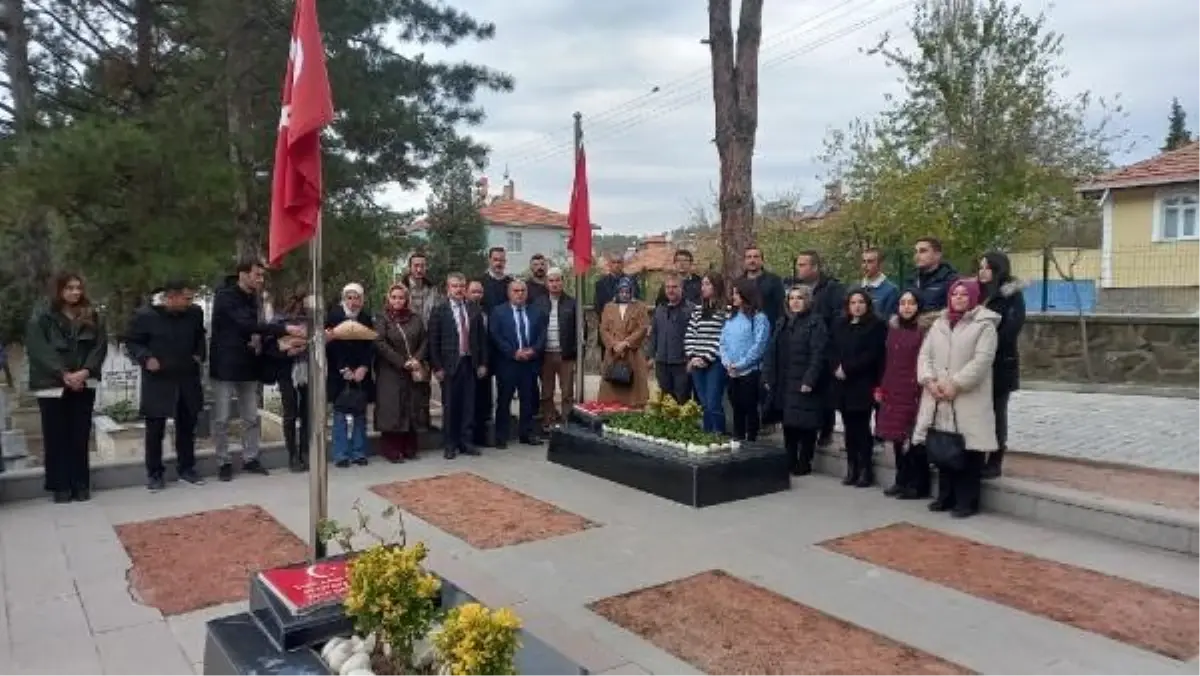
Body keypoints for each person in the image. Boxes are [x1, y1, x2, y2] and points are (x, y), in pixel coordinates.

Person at [912, 279, 1000, 519]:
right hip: (938, 394)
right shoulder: (939, 324)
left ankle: (966, 501)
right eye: (955, 294)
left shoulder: (984, 326)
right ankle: (945, 496)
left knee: (969, 451)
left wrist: (956, 384)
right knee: (944, 449)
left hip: (966, 397)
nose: (959, 298)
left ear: (973, 298)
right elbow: (925, 355)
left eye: (964, 294)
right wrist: (929, 381)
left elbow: (982, 361)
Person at [209, 259, 300, 482]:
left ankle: (251, 458)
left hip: (248, 364)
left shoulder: (255, 298)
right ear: (242, 274)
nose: (260, 280)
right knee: (221, 418)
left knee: (250, 416)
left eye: (262, 276)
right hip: (224, 366)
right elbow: (243, 325)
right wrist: (283, 328)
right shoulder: (225, 296)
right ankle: (223, 461)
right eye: (257, 275)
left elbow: (255, 328)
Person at [25, 272, 108, 503]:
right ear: (59, 290)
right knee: (56, 436)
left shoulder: (92, 316)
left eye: (78, 288)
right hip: (52, 385)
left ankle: (81, 484)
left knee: (79, 435)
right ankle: (60, 486)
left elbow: (100, 346)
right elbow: (39, 349)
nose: (75, 292)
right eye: (69, 288)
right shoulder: (42, 317)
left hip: (84, 382)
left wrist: (84, 372)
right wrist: (63, 374)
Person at [124, 279, 207, 491]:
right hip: (158, 378)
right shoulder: (146, 316)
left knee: (187, 426)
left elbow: (200, 337)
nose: (190, 302)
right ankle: (154, 473)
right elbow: (133, 342)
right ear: (171, 297)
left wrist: (199, 354)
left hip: (187, 376)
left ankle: (187, 468)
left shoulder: (194, 314)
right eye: (186, 298)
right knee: (155, 429)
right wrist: (145, 358)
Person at [763, 285, 828, 475]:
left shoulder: (816, 323)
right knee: (789, 423)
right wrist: (768, 375)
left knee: (806, 423)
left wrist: (810, 379)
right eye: (791, 298)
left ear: (807, 300)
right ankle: (789, 458)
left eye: (800, 298)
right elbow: (771, 352)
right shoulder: (783, 323)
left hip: (803, 381)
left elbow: (819, 354)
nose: (795, 302)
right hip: (784, 381)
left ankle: (804, 461)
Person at [874, 290, 931, 498]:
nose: (907, 307)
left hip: (914, 388)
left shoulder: (924, 331)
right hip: (893, 387)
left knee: (914, 438)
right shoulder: (893, 329)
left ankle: (918, 483)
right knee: (897, 438)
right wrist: (881, 386)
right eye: (903, 303)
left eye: (911, 303)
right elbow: (886, 360)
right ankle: (901, 479)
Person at [786, 250, 846, 447]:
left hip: (825, 345)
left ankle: (826, 430)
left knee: (825, 393)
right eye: (798, 265)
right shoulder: (795, 288)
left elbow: (839, 317)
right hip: (802, 344)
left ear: (815, 267)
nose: (799, 268)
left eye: (803, 265)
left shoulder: (831, 288)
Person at [428, 273, 489, 459]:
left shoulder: (473, 309)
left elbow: (481, 339)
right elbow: (433, 341)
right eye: (455, 286)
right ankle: (450, 444)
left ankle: (466, 442)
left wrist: (483, 363)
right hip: (448, 366)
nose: (459, 289)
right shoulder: (440, 310)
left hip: (469, 363)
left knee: (468, 405)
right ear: (448, 288)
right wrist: (437, 367)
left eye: (462, 286)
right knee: (450, 406)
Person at [831, 289, 887, 487]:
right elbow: (833, 349)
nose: (857, 306)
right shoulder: (840, 324)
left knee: (862, 428)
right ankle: (852, 467)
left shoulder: (876, 326)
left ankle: (865, 469)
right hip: (842, 383)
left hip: (862, 382)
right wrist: (836, 366)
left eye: (861, 302)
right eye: (853, 302)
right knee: (848, 428)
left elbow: (873, 354)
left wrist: (847, 368)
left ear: (867, 304)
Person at [979, 251, 1026, 479]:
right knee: (979, 411)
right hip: (978, 363)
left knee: (997, 411)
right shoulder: (980, 293)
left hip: (1000, 362)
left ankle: (995, 458)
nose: (982, 271)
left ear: (998, 269)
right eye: (980, 267)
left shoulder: (1011, 295)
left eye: (986, 267)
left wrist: (988, 346)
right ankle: (977, 454)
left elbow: (1012, 327)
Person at [373, 284, 430, 463]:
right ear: (388, 299)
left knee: (411, 407)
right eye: (394, 297)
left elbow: (425, 340)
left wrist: (417, 359)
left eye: (401, 297)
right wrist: (401, 361)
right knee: (393, 410)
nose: (398, 301)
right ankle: (392, 450)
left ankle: (410, 448)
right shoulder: (382, 319)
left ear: (407, 299)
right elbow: (380, 343)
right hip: (390, 371)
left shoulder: (415, 318)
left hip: (412, 369)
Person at [489, 280, 546, 447]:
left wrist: (533, 350)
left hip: (529, 363)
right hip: (508, 363)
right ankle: (501, 436)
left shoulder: (536, 312)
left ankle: (526, 434)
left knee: (528, 400)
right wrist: (513, 353)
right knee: (504, 401)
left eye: (522, 290)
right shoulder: (498, 312)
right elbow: (495, 336)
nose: (519, 294)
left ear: (527, 293)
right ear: (509, 293)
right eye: (516, 291)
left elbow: (542, 335)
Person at [325, 283, 375, 468]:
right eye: (350, 297)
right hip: (339, 373)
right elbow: (331, 345)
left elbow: (370, 345)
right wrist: (343, 368)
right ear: (344, 299)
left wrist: (363, 367)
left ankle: (359, 452)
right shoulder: (334, 316)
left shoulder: (366, 318)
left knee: (360, 412)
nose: (353, 302)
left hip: (361, 373)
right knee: (340, 413)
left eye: (357, 298)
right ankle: (341, 454)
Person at [264, 289, 312, 473]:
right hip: (286, 371)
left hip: (308, 369)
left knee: (307, 413)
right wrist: (286, 351)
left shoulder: (312, 321)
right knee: (290, 412)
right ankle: (292, 455)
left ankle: (305, 452)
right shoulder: (278, 321)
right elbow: (269, 347)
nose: (302, 307)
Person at [720, 278, 771, 441]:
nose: (733, 297)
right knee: (736, 408)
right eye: (733, 293)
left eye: (737, 293)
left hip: (750, 373)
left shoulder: (759, 318)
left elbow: (759, 346)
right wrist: (727, 362)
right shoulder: (731, 317)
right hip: (731, 371)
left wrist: (741, 365)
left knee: (750, 408)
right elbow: (722, 341)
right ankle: (738, 438)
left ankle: (751, 441)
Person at [532, 267, 579, 429]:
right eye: (551, 281)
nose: (554, 284)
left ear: (563, 282)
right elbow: (534, 328)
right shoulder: (538, 303)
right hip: (545, 354)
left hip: (565, 355)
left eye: (558, 280)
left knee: (567, 392)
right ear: (546, 283)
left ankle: (567, 423)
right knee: (546, 392)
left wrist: (575, 353)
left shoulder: (573, 303)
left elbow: (580, 330)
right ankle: (549, 421)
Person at [597, 277, 651, 406]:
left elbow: (643, 328)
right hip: (613, 354)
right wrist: (614, 344)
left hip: (633, 354)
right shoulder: (608, 307)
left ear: (632, 291)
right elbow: (603, 329)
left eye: (627, 291)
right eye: (622, 291)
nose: (624, 294)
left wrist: (626, 343)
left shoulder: (640, 307)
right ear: (617, 291)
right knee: (610, 392)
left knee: (635, 390)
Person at [685, 273, 728, 433]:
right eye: (702, 284)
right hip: (696, 362)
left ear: (717, 286)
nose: (703, 287)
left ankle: (719, 435)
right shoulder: (698, 310)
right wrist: (692, 356)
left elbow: (722, 337)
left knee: (713, 403)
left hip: (714, 363)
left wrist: (706, 358)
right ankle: (707, 435)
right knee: (703, 404)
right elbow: (690, 333)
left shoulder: (725, 310)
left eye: (708, 284)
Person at [648, 273, 696, 404]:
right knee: (665, 401)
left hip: (682, 363)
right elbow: (654, 334)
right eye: (668, 287)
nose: (670, 290)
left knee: (682, 400)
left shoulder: (691, 310)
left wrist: (691, 358)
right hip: (662, 363)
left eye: (674, 287)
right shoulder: (660, 309)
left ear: (681, 288)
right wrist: (651, 356)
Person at [594, 254, 640, 352]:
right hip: (609, 333)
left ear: (623, 264)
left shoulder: (632, 282)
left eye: (619, 262)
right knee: (608, 366)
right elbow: (598, 308)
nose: (616, 265)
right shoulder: (600, 284)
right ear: (609, 265)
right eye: (614, 262)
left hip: (629, 333)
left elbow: (637, 305)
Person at [466, 279, 492, 447]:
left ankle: (481, 437)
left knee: (483, 401)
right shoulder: (464, 311)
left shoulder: (487, 312)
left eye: (480, 292)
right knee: (469, 402)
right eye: (474, 292)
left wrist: (485, 362)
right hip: (467, 362)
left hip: (485, 361)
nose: (477, 295)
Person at [907, 237, 958, 313]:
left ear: (937, 255)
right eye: (916, 252)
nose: (917, 256)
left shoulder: (951, 280)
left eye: (923, 251)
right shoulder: (911, 280)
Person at [739, 246, 785, 329]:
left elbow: (781, 307)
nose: (752, 260)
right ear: (744, 261)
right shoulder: (738, 283)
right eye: (749, 257)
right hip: (744, 330)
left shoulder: (774, 281)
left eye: (756, 257)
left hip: (769, 329)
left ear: (762, 260)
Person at [402, 252, 442, 325]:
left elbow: (437, 314)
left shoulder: (433, 290)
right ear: (409, 267)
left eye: (422, 266)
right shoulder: (401, 290)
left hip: (428, 333)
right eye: (416, 266)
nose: (419, 270)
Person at [860, 247, 899, 318]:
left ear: (880, 264)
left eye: (870, 262)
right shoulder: (855, 288)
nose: (865, 266)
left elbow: (888, 320)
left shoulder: (891, 290)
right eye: (863, 261)